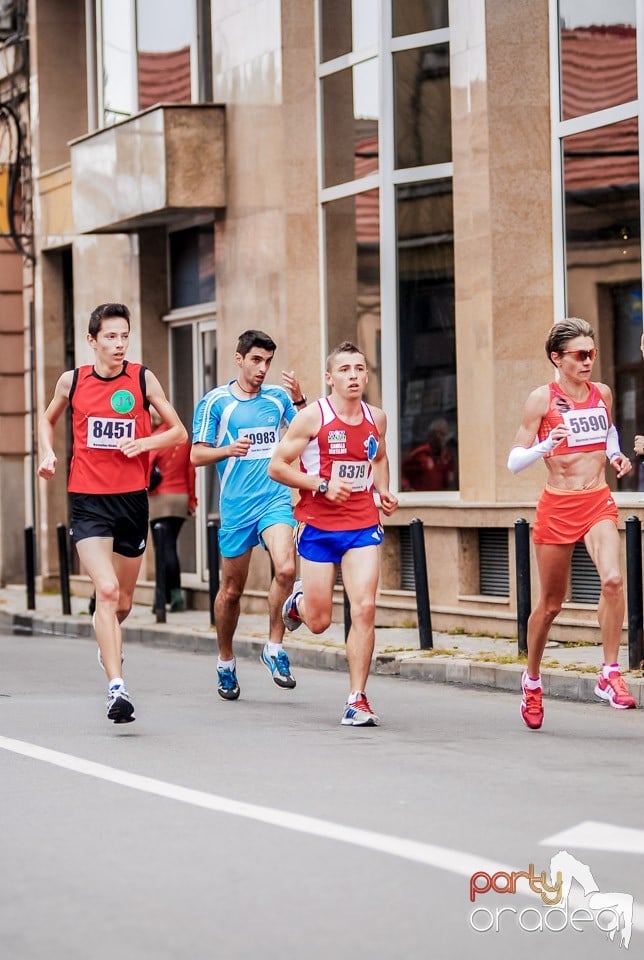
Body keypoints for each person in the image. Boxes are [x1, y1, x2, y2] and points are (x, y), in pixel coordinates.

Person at [38, 302, 187, 724]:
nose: (119, 344)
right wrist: (48, 453)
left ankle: (106, 633)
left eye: (124, 336)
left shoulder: (142, 377)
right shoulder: (73, 381)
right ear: (92, 340)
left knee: (121, 603)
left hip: (132, 500)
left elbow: (178, 430)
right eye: (111, 337)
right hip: (88, 500)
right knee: (105, 590)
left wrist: (145, 444)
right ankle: (117, 689)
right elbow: (46, 421)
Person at [507, 317, 636, 730]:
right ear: (556, 359)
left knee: (614, 580)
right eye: (580, 355)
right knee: (550, 605)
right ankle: (531, 679)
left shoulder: (601, 392)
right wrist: (547, 444)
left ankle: (610, 672)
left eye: (592, 354)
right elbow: (514, 462)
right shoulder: (540, 399)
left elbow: (609, 430)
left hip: (597, 497)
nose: (588, 362)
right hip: (558, 505)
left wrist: (615, 455)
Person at [269, 341, 399, 727]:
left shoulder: (377, 417)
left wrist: (383, 491)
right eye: (345, 370)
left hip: (361, 524)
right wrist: (320, 484)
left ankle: (357, 698)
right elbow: (277, 467)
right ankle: (297, 605)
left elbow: (378, 457)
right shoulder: (311, 417)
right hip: (318, 525)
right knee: (321, 620)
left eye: (360, 369)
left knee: (365, 608)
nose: (354, 376)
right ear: (329, 377)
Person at [191, 329, 306, 701]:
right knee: (231, 591)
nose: (263, 368)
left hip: (274, 500)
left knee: (286, 569)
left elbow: (308, 430)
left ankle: (274, 649)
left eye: (268, 361)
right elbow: (195, 455)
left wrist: (301, 400)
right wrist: (227, 450)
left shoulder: (276, 398)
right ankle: (225, 661)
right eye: (256, 360)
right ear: (238, 358)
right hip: (237, 506)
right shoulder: (215, 402)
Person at [148, 415, 197, 612]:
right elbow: (190, 471)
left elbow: (146, 467)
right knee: (170, 546)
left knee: (163, 549)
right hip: (181, 497)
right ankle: (173, 594)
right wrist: (192, 499)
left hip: (160, 499)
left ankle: (163, 596)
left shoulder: (157, 438)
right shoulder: (182, 439)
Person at [401, 417, 456, 491]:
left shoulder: (447, 456)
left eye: (445, 435)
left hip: (441, 496)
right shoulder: (420, 454)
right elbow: (402, 473)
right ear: (432, 434)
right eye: (441, 434)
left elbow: (450, 481)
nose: (444, 438)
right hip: (422, 497)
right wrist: (407, 489)